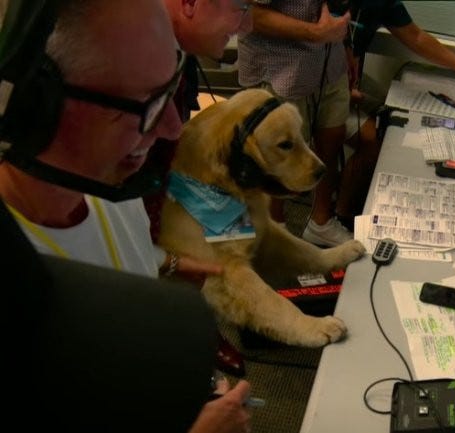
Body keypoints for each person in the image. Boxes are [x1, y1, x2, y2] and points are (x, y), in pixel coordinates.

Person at [0, 0, 251, 431]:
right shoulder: (15, 282)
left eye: (171, 89)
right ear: (38, 105)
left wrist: (164, 263)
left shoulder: (109, 188)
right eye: (148, 103)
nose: (173, 126)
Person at [156, 0, 258, 378]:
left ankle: (193, 325)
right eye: (240, 8)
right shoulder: (130, 57)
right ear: (190, 4)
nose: (246, 26)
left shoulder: (179, 58)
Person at [335, 0, 455, 223]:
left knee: (391, 115)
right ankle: (341, 217)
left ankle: (357, 201)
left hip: (348, 84)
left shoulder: (379, 4)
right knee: (371, 138)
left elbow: (416, 37)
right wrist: (341, 92)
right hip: (320, 88)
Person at [238, 1, 356, 247]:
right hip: (281, 70)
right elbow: (247, 14)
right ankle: (275, 233)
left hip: (329, 64)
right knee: (279, 159)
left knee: (331, 141)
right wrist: (316, 33)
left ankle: (320, 223)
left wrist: (345, 47)